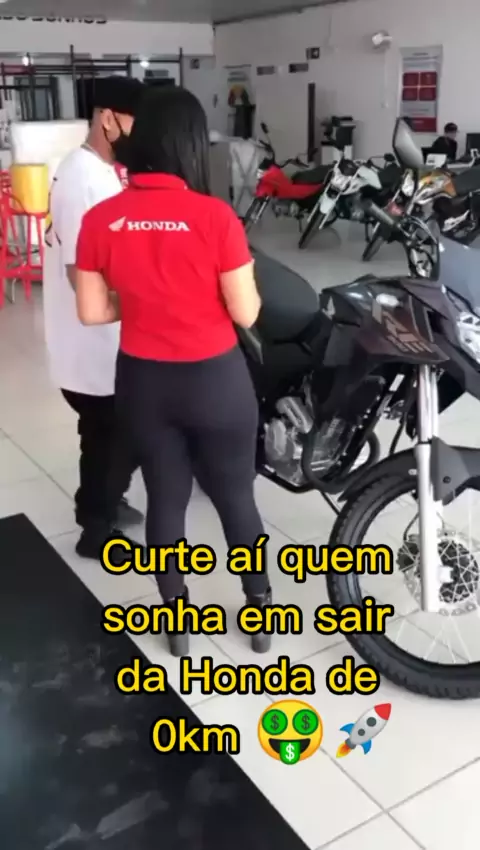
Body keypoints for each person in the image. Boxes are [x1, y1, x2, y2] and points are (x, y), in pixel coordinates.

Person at [74, 86, 272, 657]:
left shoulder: (102, 219)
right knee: (236, 497)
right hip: (216, 381)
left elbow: (91, 311)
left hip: (144, 382)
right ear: (190, 144)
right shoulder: (215, 217)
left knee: (166, 498)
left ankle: (178, 620)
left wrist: (143, 301)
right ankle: (259, 610)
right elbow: (246, 313)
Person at [43, 76, 145, 559]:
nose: (141, 132)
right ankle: (96, 531)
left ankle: (105, 501)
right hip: (90, 343)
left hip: (102, 338)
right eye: (135, 120)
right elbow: (78, 274)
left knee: (112, 433)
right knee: (107, 436)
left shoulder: (101, 171)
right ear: (108, 119)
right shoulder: (82, 178)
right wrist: (145, 302)